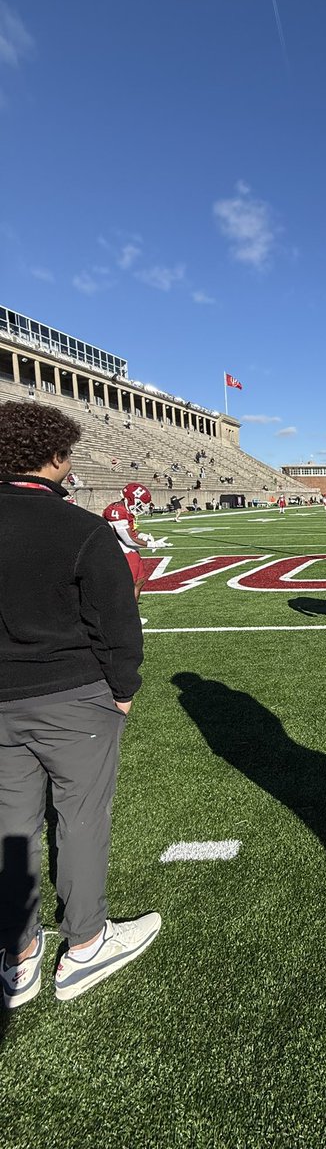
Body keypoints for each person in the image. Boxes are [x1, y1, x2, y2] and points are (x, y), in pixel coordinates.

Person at [0, 402, 160, 1008]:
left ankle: (18, 955)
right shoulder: (82, 528)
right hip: (74, 696)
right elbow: (118, 623)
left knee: (9, 826)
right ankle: (86, 943)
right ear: (57, 457)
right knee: (81, 818)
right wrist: (123, 692)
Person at [102, 483, 170, 605]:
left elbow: (132, 531)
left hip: (131, 551)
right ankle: (123, 614)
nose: (141, 507)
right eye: (139, 503)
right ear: (130, 498)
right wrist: (152, 545)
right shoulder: (116, 511)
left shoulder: (126, 510)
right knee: (127, 585)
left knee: (140, 581)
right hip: (121, 552)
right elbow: (128, 539)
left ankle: (132, 612)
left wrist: (143, 536)